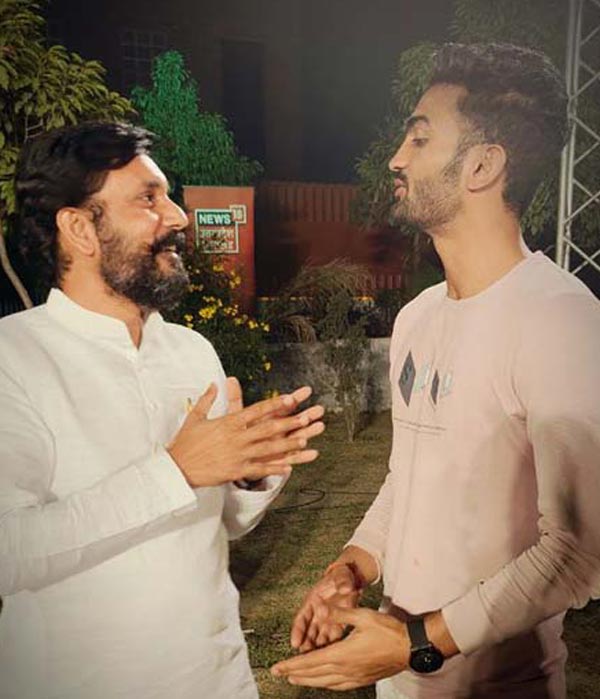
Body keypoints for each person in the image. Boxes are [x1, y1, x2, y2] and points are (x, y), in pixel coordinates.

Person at [271, 42, 600, 698]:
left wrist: (417, 642)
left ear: (482, 165)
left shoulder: (560, 318)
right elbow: (411, 477)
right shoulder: (418, 316)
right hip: (399, 684)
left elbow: (577, 552)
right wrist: (352, 566)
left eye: (419, 139)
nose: (397, 158)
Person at [0, 121, 325, 699]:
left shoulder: (190, 350)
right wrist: (177, 470)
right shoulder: (14, 357)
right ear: (79, 228)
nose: (177, 217)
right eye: (148, 199)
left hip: (218, 676)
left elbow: (221, 523)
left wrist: (249, 474)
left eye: (168, 197)